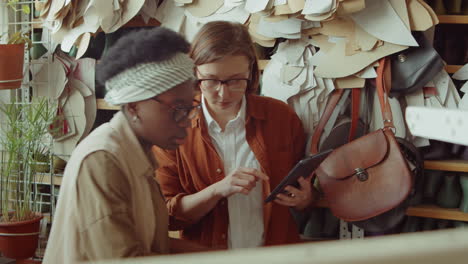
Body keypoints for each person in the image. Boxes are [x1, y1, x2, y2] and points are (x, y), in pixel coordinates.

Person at [43, 27, 206, 263]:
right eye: (178, 109)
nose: (188, 123)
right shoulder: (102, 161)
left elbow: (156, 245)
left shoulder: (139, 156)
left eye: (190, 108)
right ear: (134, 107)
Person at [153, 21, 319, 249]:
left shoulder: (281, 117)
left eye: (235, 80)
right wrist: (217, 190)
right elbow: (165, 217)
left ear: (251, 71)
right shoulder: (170, 128)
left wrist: (305, 199)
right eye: (210, 80)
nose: (223, 93)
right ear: (194, 72)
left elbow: (301, 193)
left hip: (275, 255)